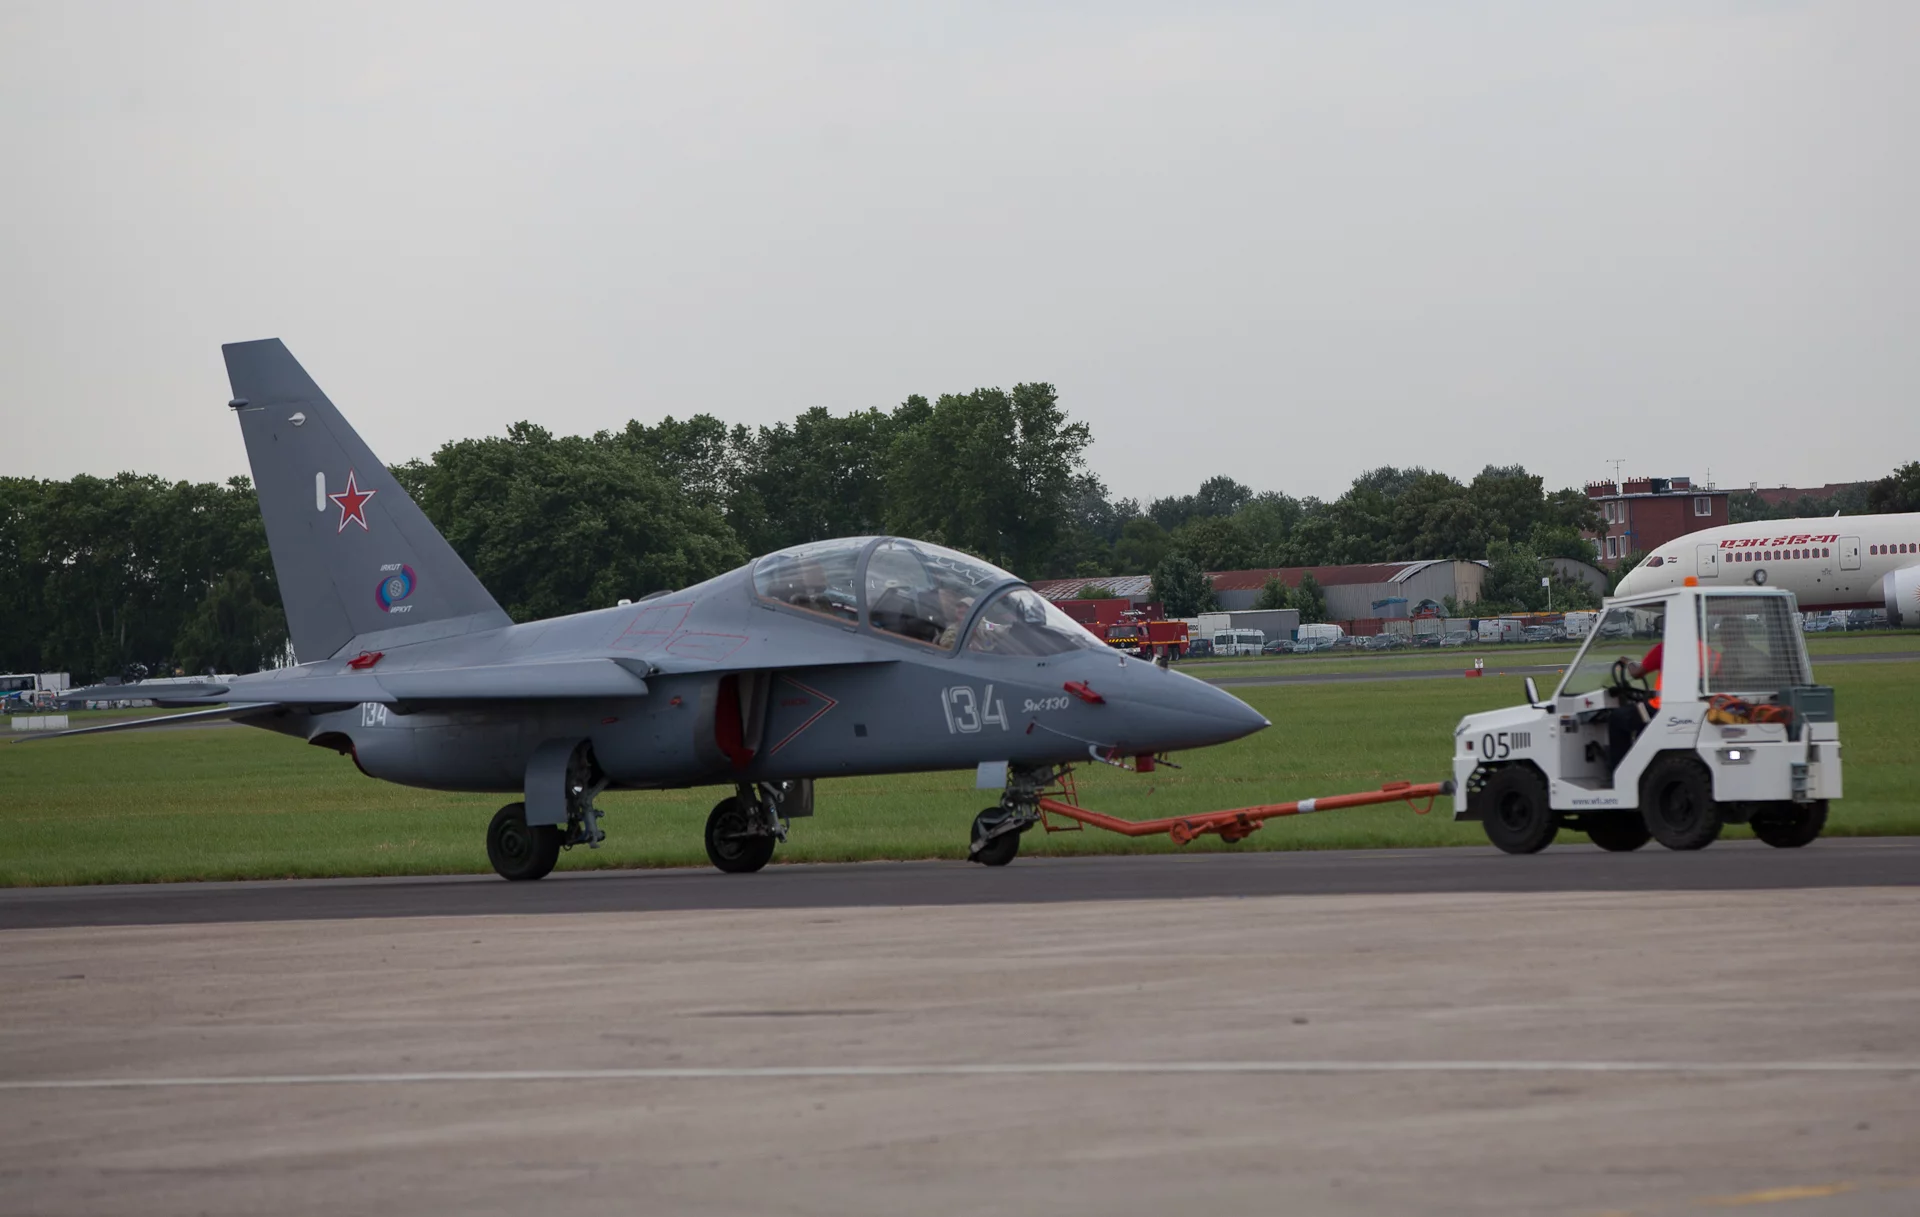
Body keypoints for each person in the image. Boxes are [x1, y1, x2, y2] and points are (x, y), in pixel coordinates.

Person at [1608, 637, 1664, 773]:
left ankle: (1620, 770)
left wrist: (1629, 662)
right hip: (1687, 706)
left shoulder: (1664, 649)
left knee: (1617, 717)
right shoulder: (1704, 650)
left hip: (1659, 708)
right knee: (1637, 716)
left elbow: (1636, 673)